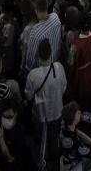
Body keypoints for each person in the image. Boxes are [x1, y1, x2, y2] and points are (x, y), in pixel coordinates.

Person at [24, 38, 66, 169]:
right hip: (57, 113)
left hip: (41, 116)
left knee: (42, 145)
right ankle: (56, 164)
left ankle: (44, 164)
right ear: (50, 52)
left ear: (38, 54)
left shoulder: (32, 75)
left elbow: (28, 95)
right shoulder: (59, 68)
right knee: (55, 142)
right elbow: (64, 88)